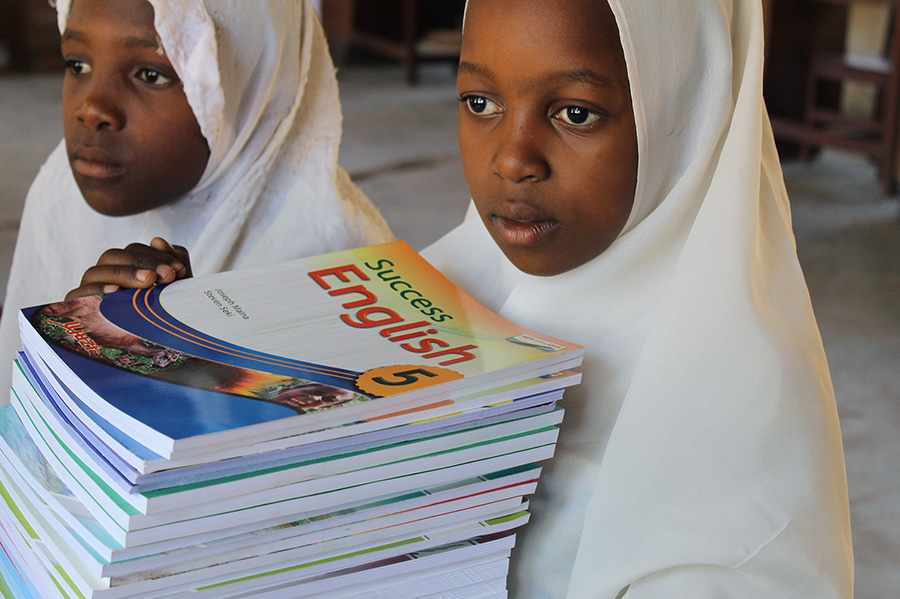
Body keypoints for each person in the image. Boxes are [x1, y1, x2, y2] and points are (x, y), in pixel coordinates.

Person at [422, 0, 855, 597]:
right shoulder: (437, 288)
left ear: (688, 110)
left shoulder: (738, 435)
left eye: (575, 113)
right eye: (481, 103)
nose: (512, 159)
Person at [0, 0, 393, 398]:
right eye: (77, 65)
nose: (92, 108)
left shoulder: (342, 274)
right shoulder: (59, 192)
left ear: (251, 83)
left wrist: (186, 357)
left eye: (152, 74)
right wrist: (69, 355)